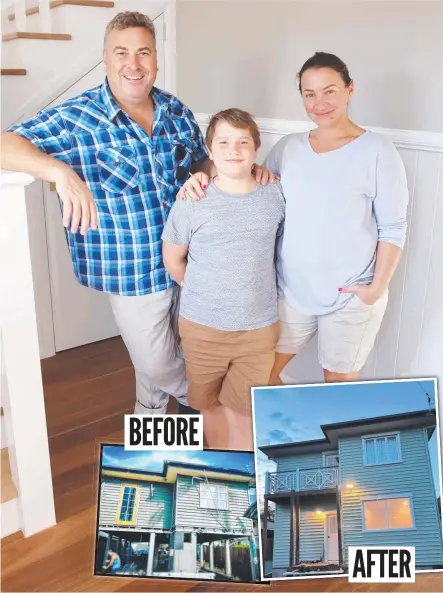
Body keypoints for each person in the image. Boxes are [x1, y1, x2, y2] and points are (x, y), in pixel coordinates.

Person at [1, 11, 273, 415]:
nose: (134, 64)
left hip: (193, 259)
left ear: (156, 60)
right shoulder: (79, 117)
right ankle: (217, 407)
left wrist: (236, 170)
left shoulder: (174, 111)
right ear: (105, 59)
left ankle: (154, 448)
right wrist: (59, 171)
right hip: (132, 271)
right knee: (157, 363)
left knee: (174, 358)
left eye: (144, 52)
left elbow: (203, 163)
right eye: (122, 53)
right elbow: (6, 145)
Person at [180, 52, 408, 385]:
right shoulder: (288, 149)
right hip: (290, 291)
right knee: (256, 376)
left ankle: (324, 437)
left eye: (329, 91)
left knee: (338, 384)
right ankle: (291, 434)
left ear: (350, 89)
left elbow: (393, 227)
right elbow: (244, 178)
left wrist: (375, 289)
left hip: (351, 295)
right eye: (309, 94)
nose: (320, 103)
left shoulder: (378, 150)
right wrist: (201, 177)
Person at [162, 109, 285, 450]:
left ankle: (243, 476)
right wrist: (202, 288)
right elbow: (173, 259)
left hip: (257, 329)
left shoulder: (275, 195)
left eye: (243, 142)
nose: (234, 150)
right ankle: (217, 474)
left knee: (245, 410)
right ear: (210, 152)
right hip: (203, 328)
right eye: (224, 142)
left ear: (255, 150)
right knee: (207, 407)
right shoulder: (192, 200)